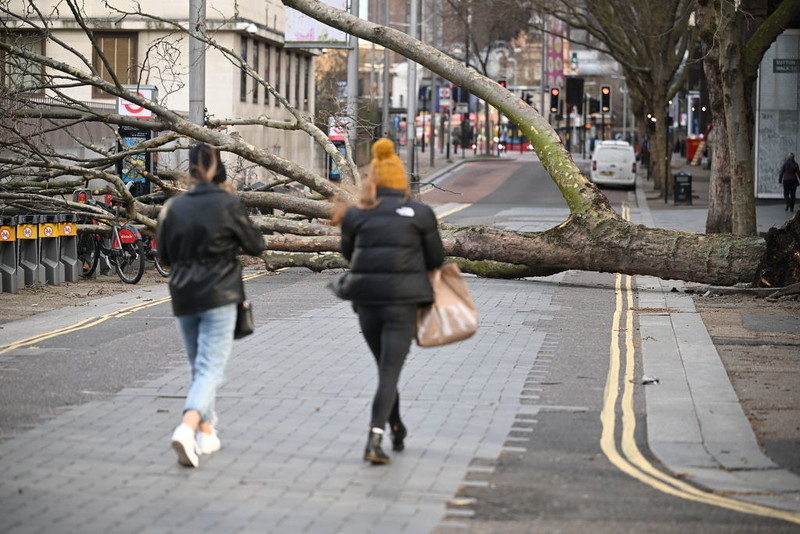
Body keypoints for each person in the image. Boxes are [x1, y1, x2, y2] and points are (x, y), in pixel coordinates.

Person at [331, 138, 444, 465]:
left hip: (367, 302)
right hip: (403, 302)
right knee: (389, 371)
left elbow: (349, 255)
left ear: (374, 180)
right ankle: (374, 439)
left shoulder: (356, 214)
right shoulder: (421, 213)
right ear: (400, 180)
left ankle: (395, 425)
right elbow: (436, 258)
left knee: (385, 369)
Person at [157, 143, 264, 467]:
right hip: (220, 295)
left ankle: (207, 432)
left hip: (184, 296)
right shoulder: (228, 204)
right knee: (209, 370)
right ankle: (187, 428)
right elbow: (255, 244)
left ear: (190, 170)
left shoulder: (174, 207)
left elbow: (162, 255)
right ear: (220, 170)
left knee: (199, 368)